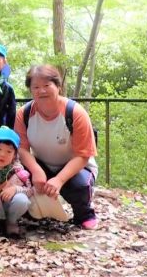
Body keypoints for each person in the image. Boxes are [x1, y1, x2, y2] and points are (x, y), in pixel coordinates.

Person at [14, 64, 99, 230]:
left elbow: (84, 155)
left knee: (79, 185)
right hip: (42, 163)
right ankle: (28, 210)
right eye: (36, 87)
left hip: (76, 166)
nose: (41, 91)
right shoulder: (24, 114)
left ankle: (85, 214)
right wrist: (36, 170)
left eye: (47, 86)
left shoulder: (75, 113)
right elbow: (22, 148)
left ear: (58, 87)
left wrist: (59, 179)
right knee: (17, 174)